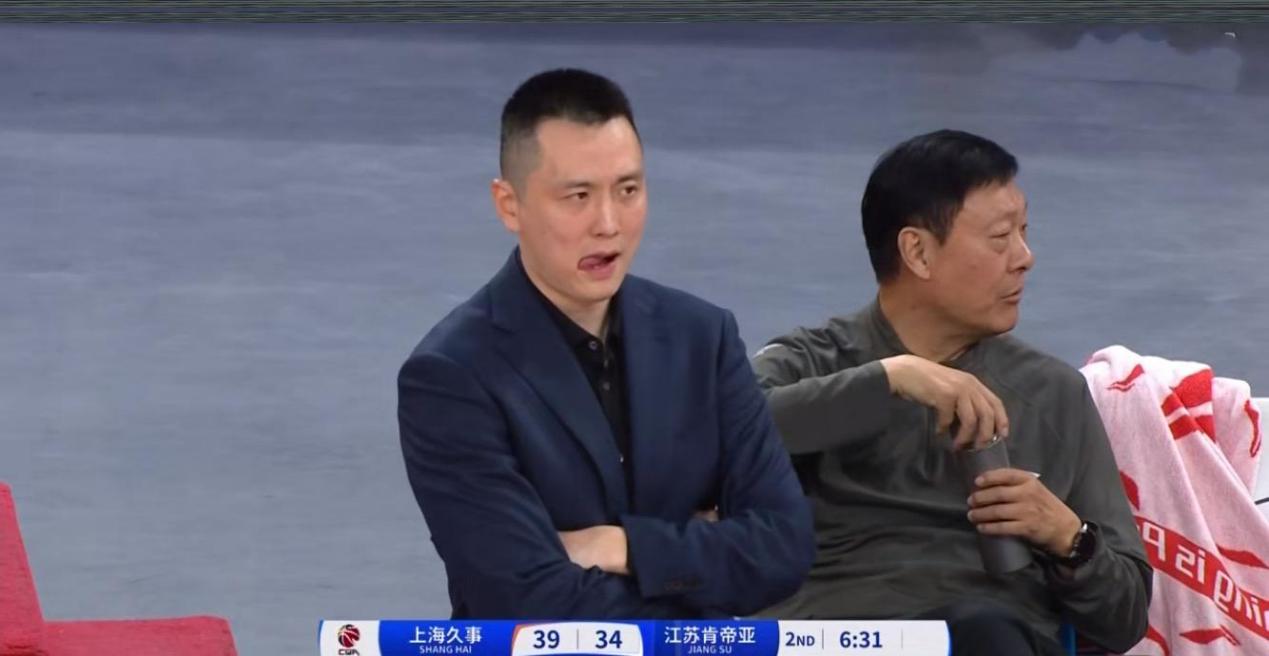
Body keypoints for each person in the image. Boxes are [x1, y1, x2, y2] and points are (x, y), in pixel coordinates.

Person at [398, 68, 814, 619]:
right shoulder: (450, 375)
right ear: (509, 205)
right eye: (578, 196)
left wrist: (623, 546)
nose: (609, 224)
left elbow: (782, 548)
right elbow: (529, 597)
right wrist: (698, 559)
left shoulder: (703, 337)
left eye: (628, 190)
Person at [752, 130, 1151, 655]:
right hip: (837, 636)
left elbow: (1126, 620)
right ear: (917, 252)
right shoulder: (811, 362)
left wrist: (1068, 538)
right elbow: (720, 432)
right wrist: (890, 380)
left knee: (984, 630)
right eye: (1000, 237)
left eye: (1024, 232)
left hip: (991, 637)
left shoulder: (1053, 394)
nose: (1024, 257)